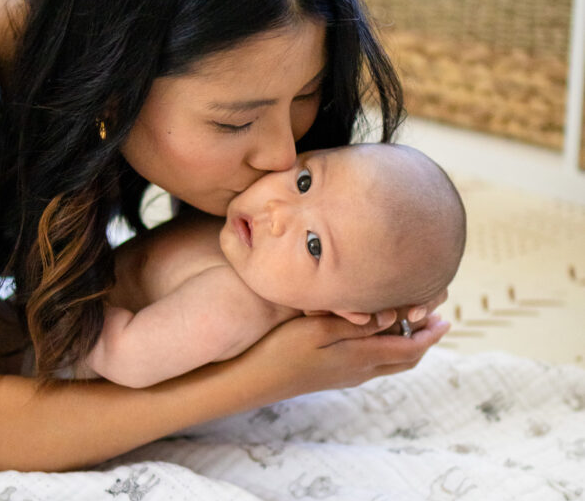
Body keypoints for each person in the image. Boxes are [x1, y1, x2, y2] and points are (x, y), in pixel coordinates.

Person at [0, 0, 450, 473]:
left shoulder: (91, 85)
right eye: (234, 121)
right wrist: (263, 376)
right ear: (115, 87)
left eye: (303, 95)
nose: (282, 156)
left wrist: (362, 268)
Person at [79, 142, 465, 388]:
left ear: (339, 310)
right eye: (304, 183)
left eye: (314, 245)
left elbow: (125, 358)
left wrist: (61, 300)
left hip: (59, 361)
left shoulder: (231, 305)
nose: (277, 213)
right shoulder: (249, 240)